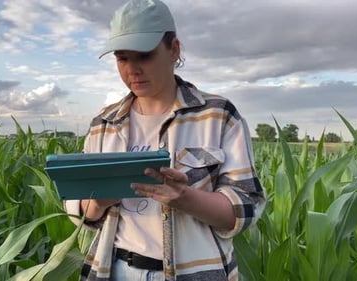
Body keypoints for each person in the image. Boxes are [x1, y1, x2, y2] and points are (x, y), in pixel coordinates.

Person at [64, 0, 266, 280]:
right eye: (122, 58)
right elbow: (79, 208)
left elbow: (245, 207)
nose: (132, 69)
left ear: (174, 50)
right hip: (114, 270)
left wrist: (186, 198)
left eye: (144, 55)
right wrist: (98, 202)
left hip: (194, 273)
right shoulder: (103, 125)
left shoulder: (218, 116)